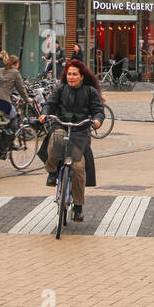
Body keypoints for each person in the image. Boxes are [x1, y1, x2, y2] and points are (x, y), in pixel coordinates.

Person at [41, 60, 103, 222]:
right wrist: (45, 113)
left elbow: (98, 109)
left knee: (78, 166)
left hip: (80, 132)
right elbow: (50, 103)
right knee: (55, 140)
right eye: (69, 74)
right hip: (61, 125)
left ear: (82, 76)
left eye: (75, 74)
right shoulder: (61, 89)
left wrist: (97, 120)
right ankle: (52, 171)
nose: (71, 77)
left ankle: (78, 206)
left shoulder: (90, 92)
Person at [0, 54, 32, 119]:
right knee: (15, 117)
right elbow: (21, 89)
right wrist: (27, 99)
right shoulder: (16, 72)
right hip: (3, 102)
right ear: (16, 64)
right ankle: (13, 129)